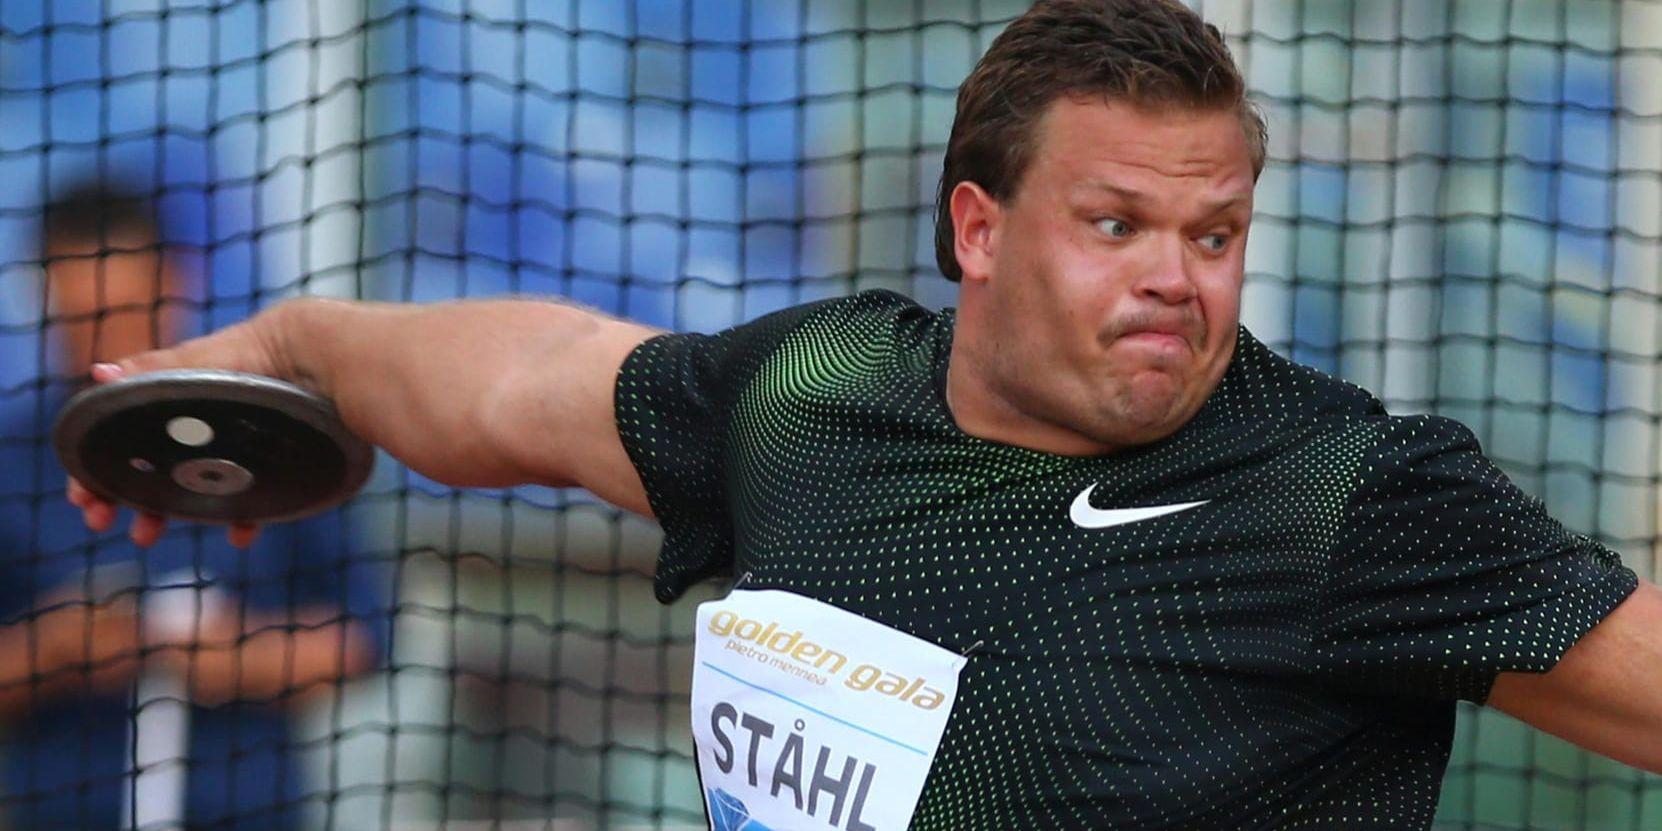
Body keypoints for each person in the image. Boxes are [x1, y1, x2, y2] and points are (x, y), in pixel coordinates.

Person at [65, 1, 1662, 828]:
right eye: (1116, 225)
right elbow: (511, 383)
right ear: (977, 226)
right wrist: (288, 347)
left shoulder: (1343, 494)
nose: (1178, 276)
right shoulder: (816, 398)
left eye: (1213, 232)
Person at [1, 184, 386, 830]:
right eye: (79, 319)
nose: (103, 346)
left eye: (122, 313)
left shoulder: (269, 437)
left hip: (246, 808)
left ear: (174, 282)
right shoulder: (12, 459)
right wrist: (55, 648)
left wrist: (238, 654)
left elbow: (363, 638)